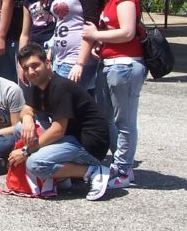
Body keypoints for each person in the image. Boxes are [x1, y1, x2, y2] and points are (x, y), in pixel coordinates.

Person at [9, 43, 112, 201]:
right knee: (20, 128)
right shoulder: (39, 85)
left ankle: (93, 171)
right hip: (70, 138)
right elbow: (26, 108)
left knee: (35, 164)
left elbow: (58, 130)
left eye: (35, 65)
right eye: (26, 68)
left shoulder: (61, 87)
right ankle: (63, 177)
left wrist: (25, 151)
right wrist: (28, 118)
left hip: (88, 145)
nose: (31, 71)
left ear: (48, 63)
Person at [82, 0, 145, 189]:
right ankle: (120, 164)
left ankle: (124, 171)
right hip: (110, 65)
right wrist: (102, 46)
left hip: (126, 65)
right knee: (107, 118)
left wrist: (96, 35)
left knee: (124, 122)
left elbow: (128, 32)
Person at [50, 0, 103, 93]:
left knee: (66, 106)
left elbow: (90, 28)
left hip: (75, 60)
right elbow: (61, 24)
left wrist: (80, 64)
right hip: (59, 59)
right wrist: (51, 52)